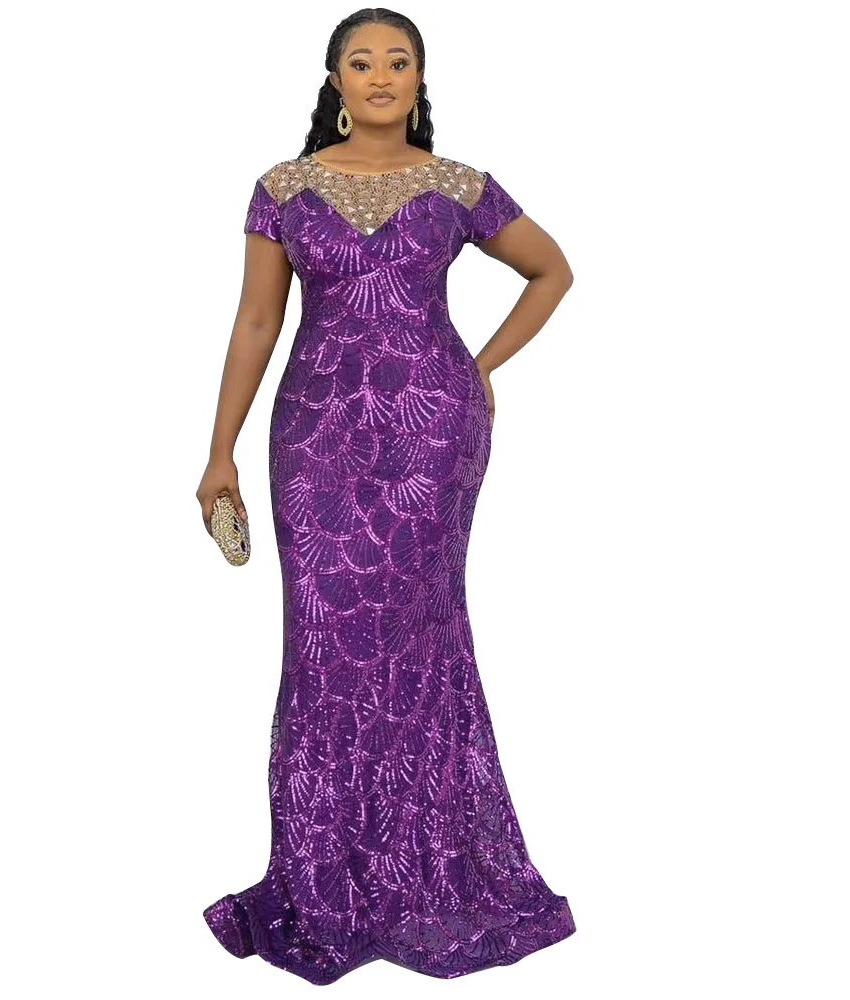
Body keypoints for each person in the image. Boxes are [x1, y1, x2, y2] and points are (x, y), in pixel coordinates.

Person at [197, 9, 575, 985]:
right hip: (316, 440)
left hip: (430, 435)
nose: (379, 75)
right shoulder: (283, 187)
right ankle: (324, 880)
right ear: (334, 79)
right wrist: (218, 450)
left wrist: (480, 364)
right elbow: (254, 321)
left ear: (418, 77)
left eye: (397, 61)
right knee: (323, 648)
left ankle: (430, 871)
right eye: (360, 61)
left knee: (418, 637)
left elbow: (552, 269)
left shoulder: (458, 186)